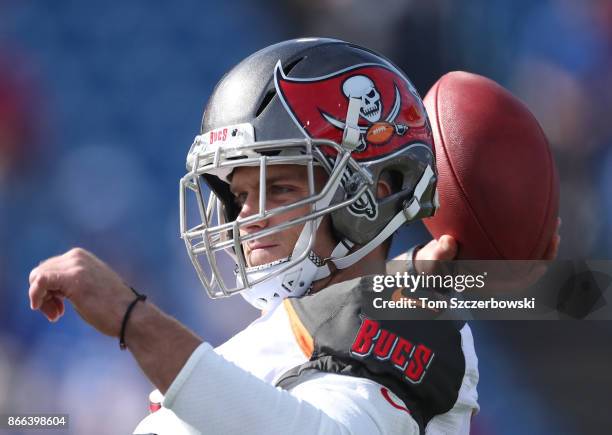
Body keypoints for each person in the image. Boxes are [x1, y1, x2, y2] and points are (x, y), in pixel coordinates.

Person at [28, 38, 556, 434]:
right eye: (238, 196)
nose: (247, 218)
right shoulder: (285, 333)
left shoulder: (416, 327)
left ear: (378, 190)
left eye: (278, 188)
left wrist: (133, 320)